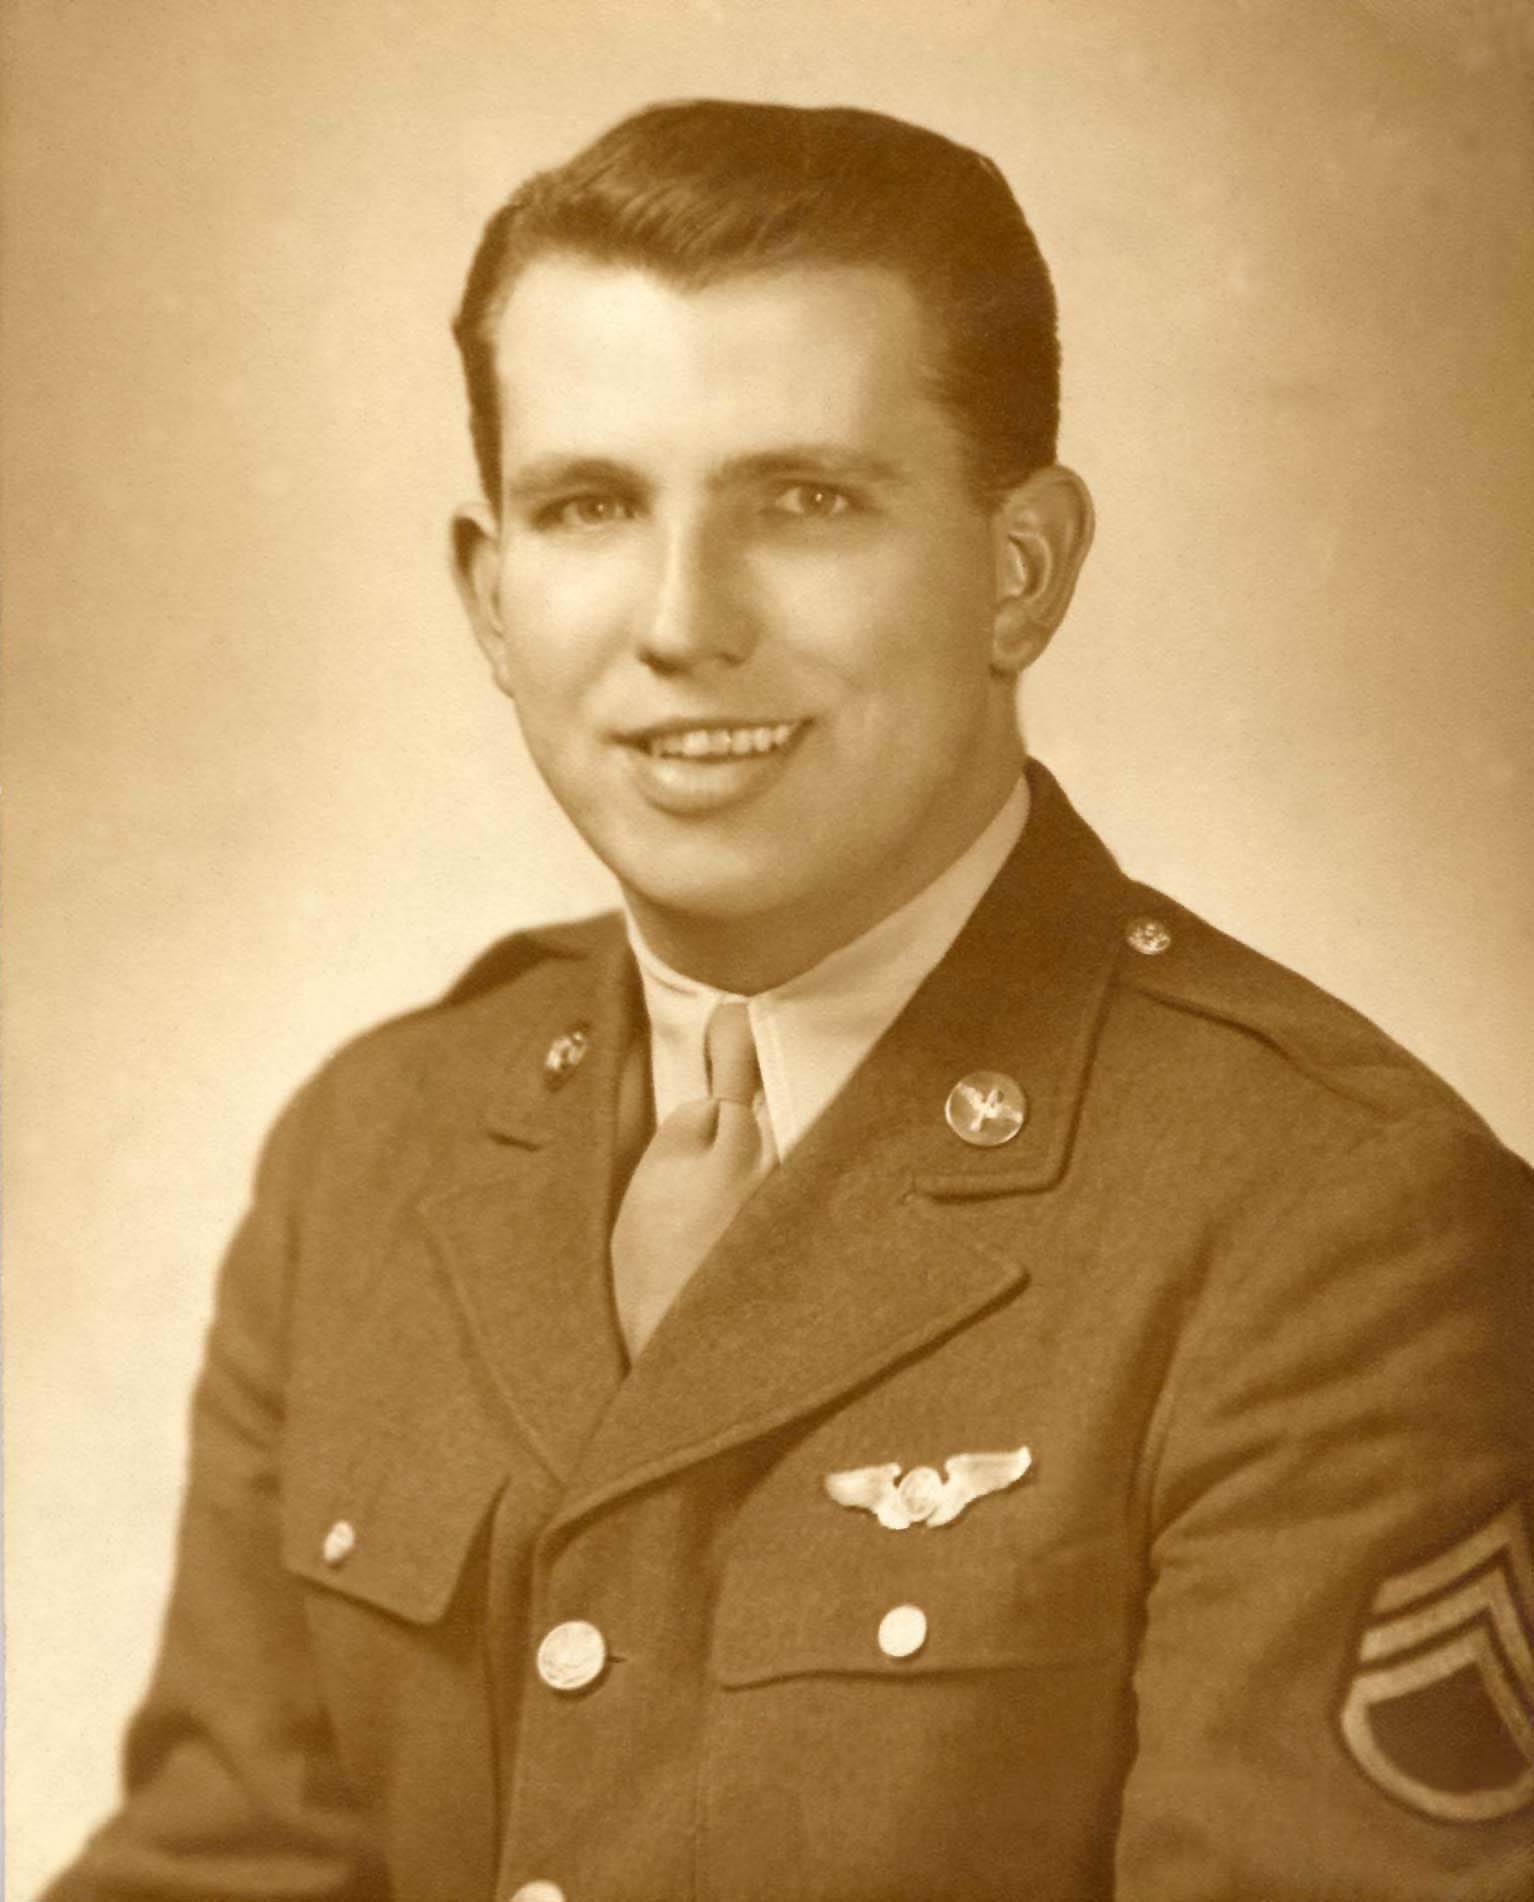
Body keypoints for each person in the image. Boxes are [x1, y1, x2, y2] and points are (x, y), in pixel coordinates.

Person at [47, 99, 1533, 1902]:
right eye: (590, 507)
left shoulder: (1330, 1224)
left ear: (1019, 571)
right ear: (493, 599)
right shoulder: (376, 1147)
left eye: (806, 502)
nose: (684, 620)